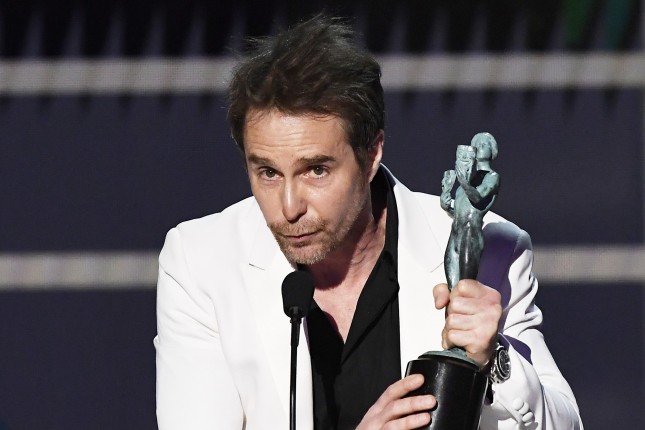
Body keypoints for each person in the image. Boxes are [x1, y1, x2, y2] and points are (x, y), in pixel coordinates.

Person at [154, 15, 583, 430]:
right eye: (267, 172)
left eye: (316, 170)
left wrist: (498, 360)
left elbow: (566, 425)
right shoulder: (201, 262)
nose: (288, 207)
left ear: (371, 154)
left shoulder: (487, 248)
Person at [442, 134, 500, 291]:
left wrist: (465, 184)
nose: (480, 146)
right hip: (455, 234)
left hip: (470, 234)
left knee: (465, 288)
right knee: (452, 290)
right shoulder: (467, 183)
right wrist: (446, 204)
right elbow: (460, 211)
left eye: (485, 144)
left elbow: (478, 197)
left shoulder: (492, 177)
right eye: (477, 144)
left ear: (492, 151)